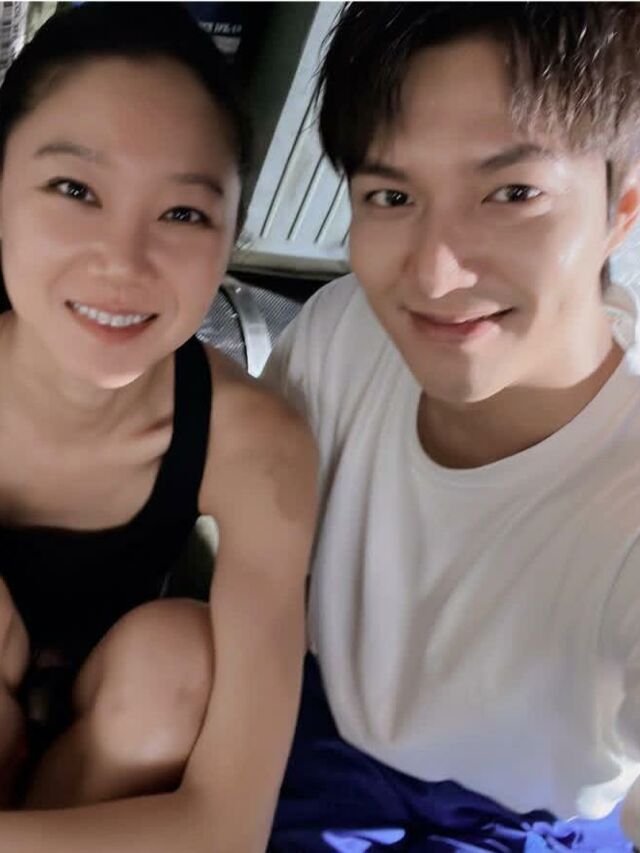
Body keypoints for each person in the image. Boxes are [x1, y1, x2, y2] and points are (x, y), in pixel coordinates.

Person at [264, 3, 640, 851]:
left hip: (522, 825)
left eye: (512, 193)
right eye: (391, 196)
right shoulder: (347, 333)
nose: (436, 273)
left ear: (620, 208)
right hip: (317, 736)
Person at [0, 3, 317, 851]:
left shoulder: (258, 444)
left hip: (114, 747)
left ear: (232, 235)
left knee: (180, 656)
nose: (123, 261)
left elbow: (229, 825)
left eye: (183, 214)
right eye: (75, 190)